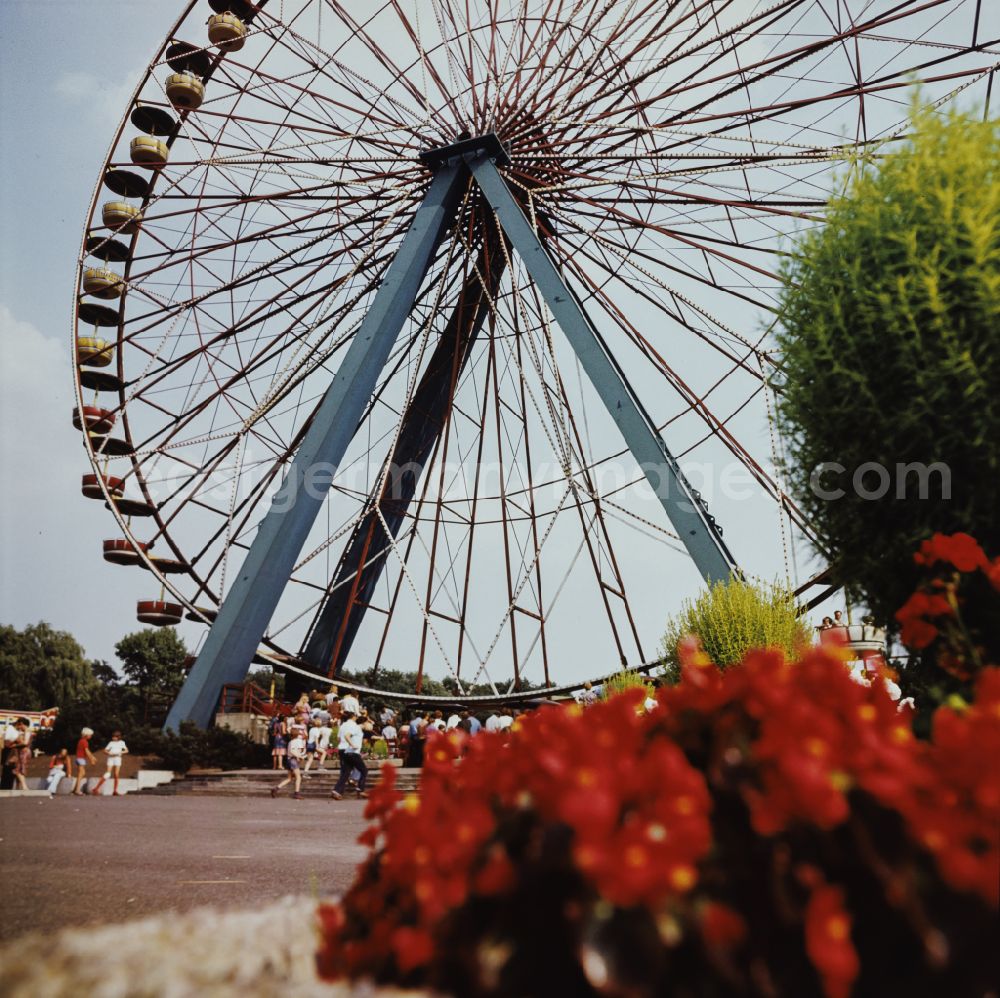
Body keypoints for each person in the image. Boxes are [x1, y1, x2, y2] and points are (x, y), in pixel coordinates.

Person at [330, 711, 368, 800]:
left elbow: (338, 738)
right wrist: (352, 744)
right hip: (350, 749)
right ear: (353, 717)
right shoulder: (355, 726)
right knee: (362, 769)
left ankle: (338, 790)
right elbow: (348, 736)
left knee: (345, 771)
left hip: (342, 748)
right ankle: (358, 786)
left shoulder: (343, 725)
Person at [271, 728, 306, 799]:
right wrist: (300, 756)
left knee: (289, 778)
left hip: (289, 760)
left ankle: (276, 788)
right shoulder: (298, 741)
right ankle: (296, 793)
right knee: (298, 777)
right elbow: (294, 751)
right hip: (293, 760)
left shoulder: (290, 742)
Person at [91, 731, 129, 796]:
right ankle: (96, 788)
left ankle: (115, 791)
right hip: (111, 758)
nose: (113, 738)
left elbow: (126, 750)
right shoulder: (111, 743)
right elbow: (105, 750)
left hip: (118, 758)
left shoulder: (122, 742)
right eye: (113, 736)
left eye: (115, 737)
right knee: (108, 773)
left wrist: (120, 752)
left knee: (116, 775)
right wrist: (109, 753)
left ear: (118, 737)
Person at [72, 727, 97, 796]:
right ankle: (77, 790)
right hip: (81, 759)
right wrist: (91, 760)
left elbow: (87, 751)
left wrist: (92, 757)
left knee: (81, 773)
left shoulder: (81, 741)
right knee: (81, 774)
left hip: (79, 758)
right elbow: (87, 752)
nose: (91, 736)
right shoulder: (84, 742)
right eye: (90, 735)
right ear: (86, 735)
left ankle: (75, 789)